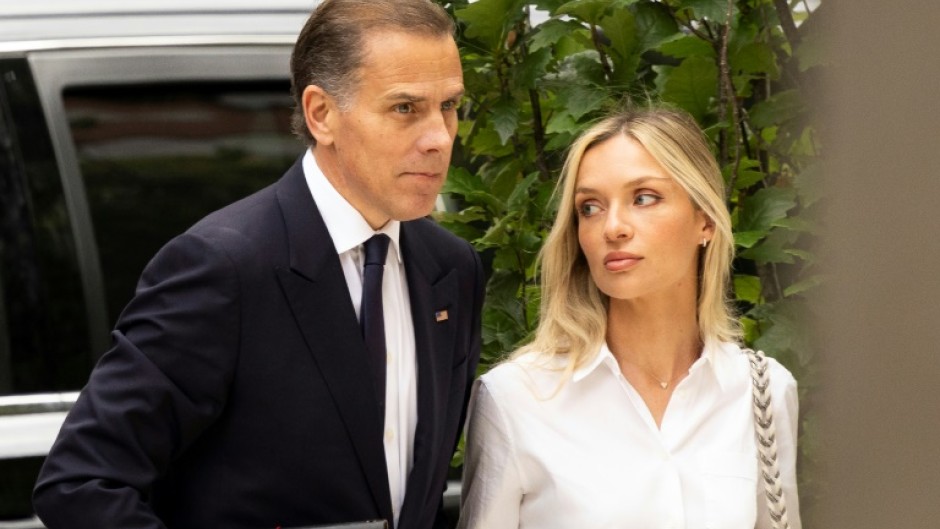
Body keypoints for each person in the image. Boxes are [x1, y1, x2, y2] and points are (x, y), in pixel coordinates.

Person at [32, 1, 483, 528]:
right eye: (405, 108)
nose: (439, 137)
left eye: (449, 106)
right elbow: (80, 484)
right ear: (321, 114)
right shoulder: (224, 267)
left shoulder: (450, 269)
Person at [457, 107, 801, 529]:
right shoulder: (517, 398)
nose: (613, 227)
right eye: (590, 207)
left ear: (706, 220)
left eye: (643, 198)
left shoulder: (762, 391)